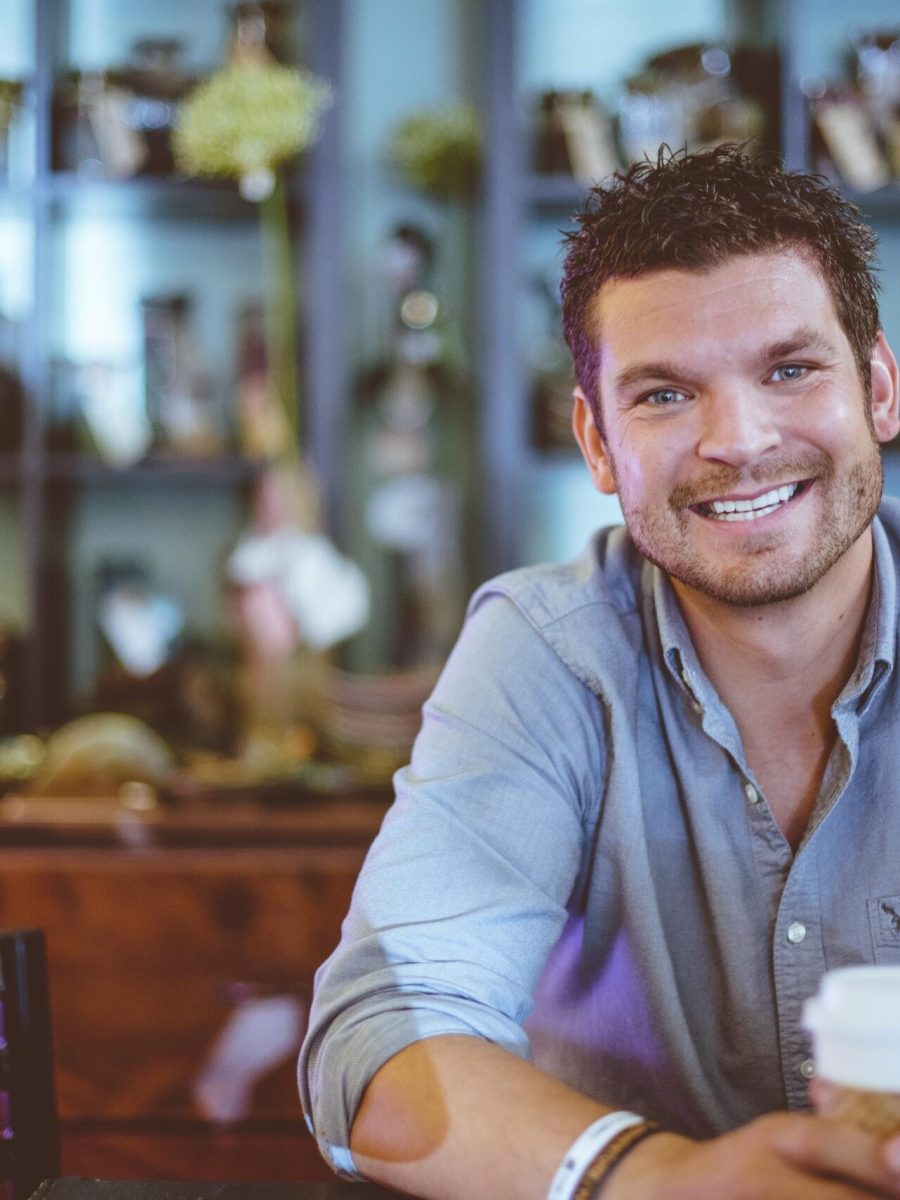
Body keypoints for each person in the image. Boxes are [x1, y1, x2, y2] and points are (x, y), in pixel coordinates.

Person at [299, 144, 900, 1199]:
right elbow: (378, 1045)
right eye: (666, 395)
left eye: (791, 369)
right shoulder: (546, 651)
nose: (740, 441)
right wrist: (659, 1181)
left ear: (881, 388)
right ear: (597, 442)